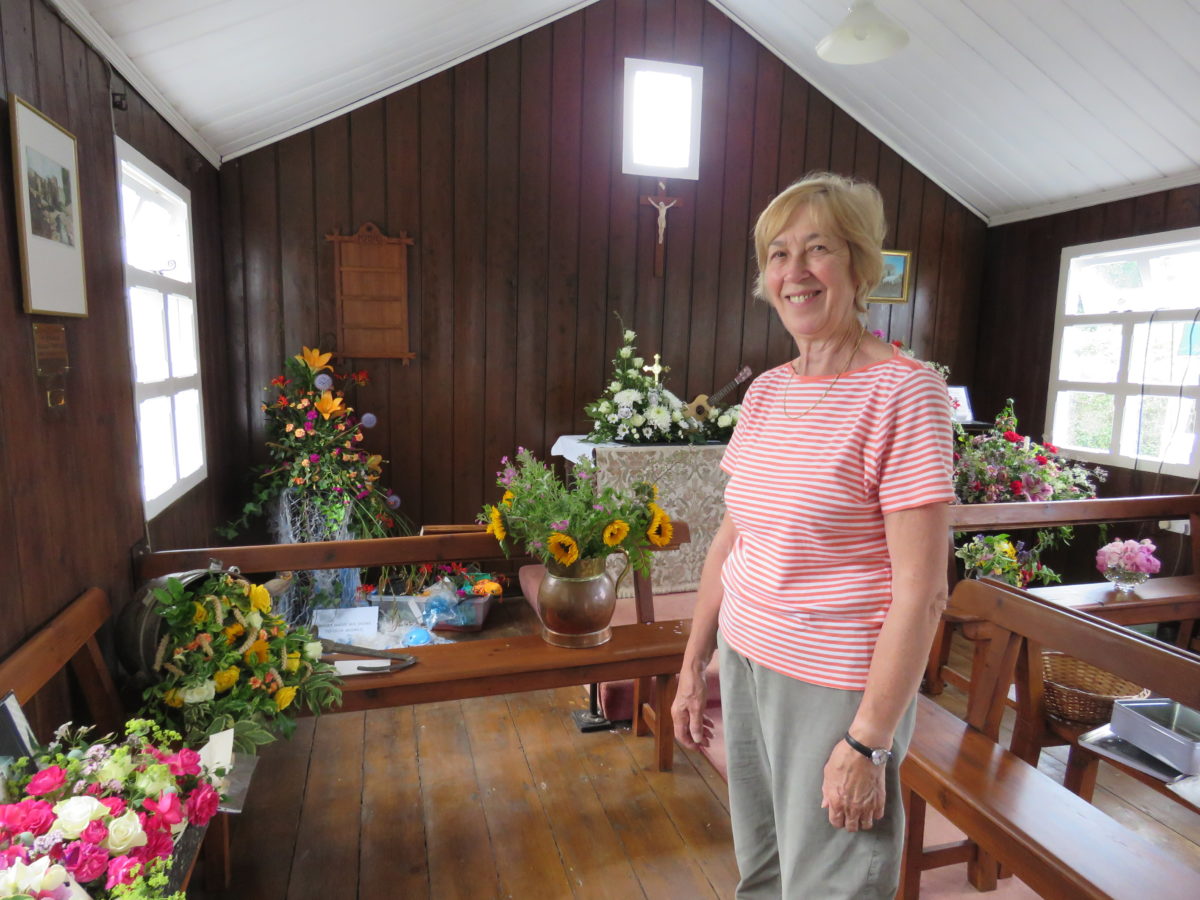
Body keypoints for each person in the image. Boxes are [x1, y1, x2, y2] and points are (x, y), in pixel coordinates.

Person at [672, 171, 954, 899]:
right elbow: (732, 540)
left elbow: (923, 594)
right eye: (778, 254)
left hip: (834, 683)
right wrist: (693, 661)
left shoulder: (905, 392)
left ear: (861, 268)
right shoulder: (768, 391)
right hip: (746, 658)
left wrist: (867, 740)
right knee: (764, 870)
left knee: (830, 884)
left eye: (817, 249)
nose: (794, 272)